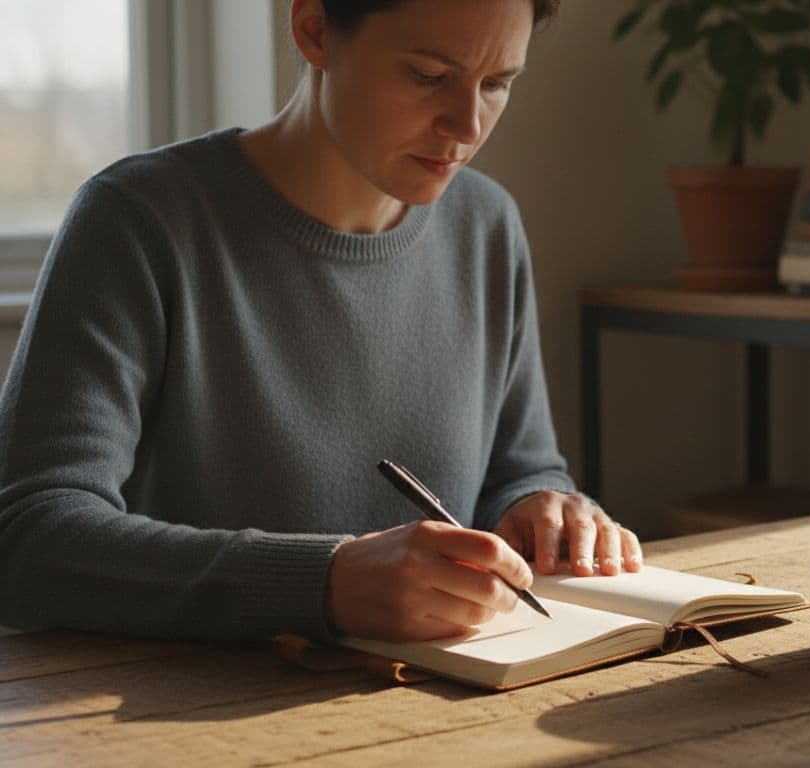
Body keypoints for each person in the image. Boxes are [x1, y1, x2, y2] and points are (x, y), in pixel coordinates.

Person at [0, 0, 641, 644]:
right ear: (314, 31)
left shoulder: (487, 225)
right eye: (428, 75)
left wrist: (541, 508)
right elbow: (29, 536)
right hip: (188, 716)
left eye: (497, 83)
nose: (467, 123)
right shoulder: (139, 220)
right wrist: (321, 582)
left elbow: (520, 470)